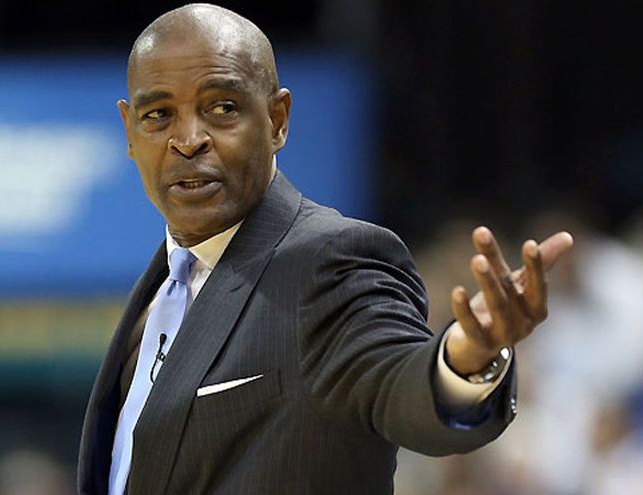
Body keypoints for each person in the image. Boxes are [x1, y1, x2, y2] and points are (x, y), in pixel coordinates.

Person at [77, 4, 573, 494]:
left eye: (221, 107)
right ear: (129, 130)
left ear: (277, 120)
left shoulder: (330, 261)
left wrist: (465, 356)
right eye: (159, 115)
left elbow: (399, 381)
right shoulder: (159, 291)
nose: (188, 140)